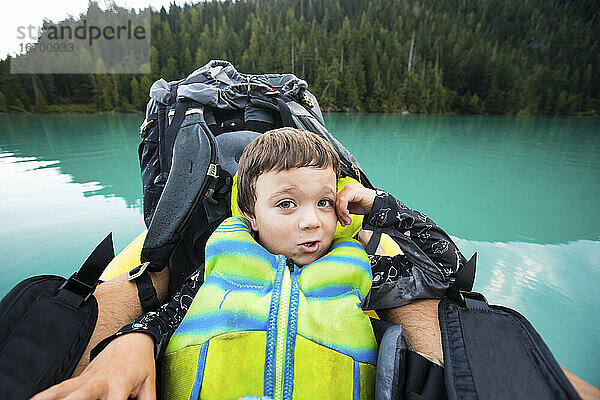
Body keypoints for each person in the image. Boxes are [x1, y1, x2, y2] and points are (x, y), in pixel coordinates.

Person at [33, 129, 600, 399]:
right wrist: (131, 341)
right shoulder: (215, 267)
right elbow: (166, 316)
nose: (312, 221)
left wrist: (381, 208)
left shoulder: (366, 269)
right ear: (249, 216)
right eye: (287, 203)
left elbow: (447, 271)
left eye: (324, 202)